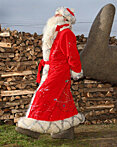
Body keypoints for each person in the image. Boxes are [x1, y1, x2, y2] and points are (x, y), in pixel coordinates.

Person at [16, 7, 84, 139]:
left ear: (65, 19)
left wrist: (76, 71)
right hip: (52, 69)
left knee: (43, 94)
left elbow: (73, 55)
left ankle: (34, 126)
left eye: (58, 15)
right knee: (63, 99)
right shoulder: (54, 33)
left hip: (58, 72)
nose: (54, 17)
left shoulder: (66, 33)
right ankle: (66, 130)